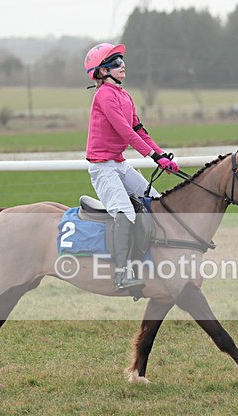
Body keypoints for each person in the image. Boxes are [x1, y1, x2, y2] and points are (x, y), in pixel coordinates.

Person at [83, 42, 179, 291]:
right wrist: (154, 157)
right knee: (125, 212)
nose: (122, 65)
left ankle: (155, 261)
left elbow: (138, 129)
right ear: (102, 72)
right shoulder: (104, 95)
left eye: (122, 61)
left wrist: (161, 154)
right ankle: (122, 274)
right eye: (115, 63)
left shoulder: (125, 95)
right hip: (102, 167)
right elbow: (125, 132)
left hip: (119, 164)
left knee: (156, 202)